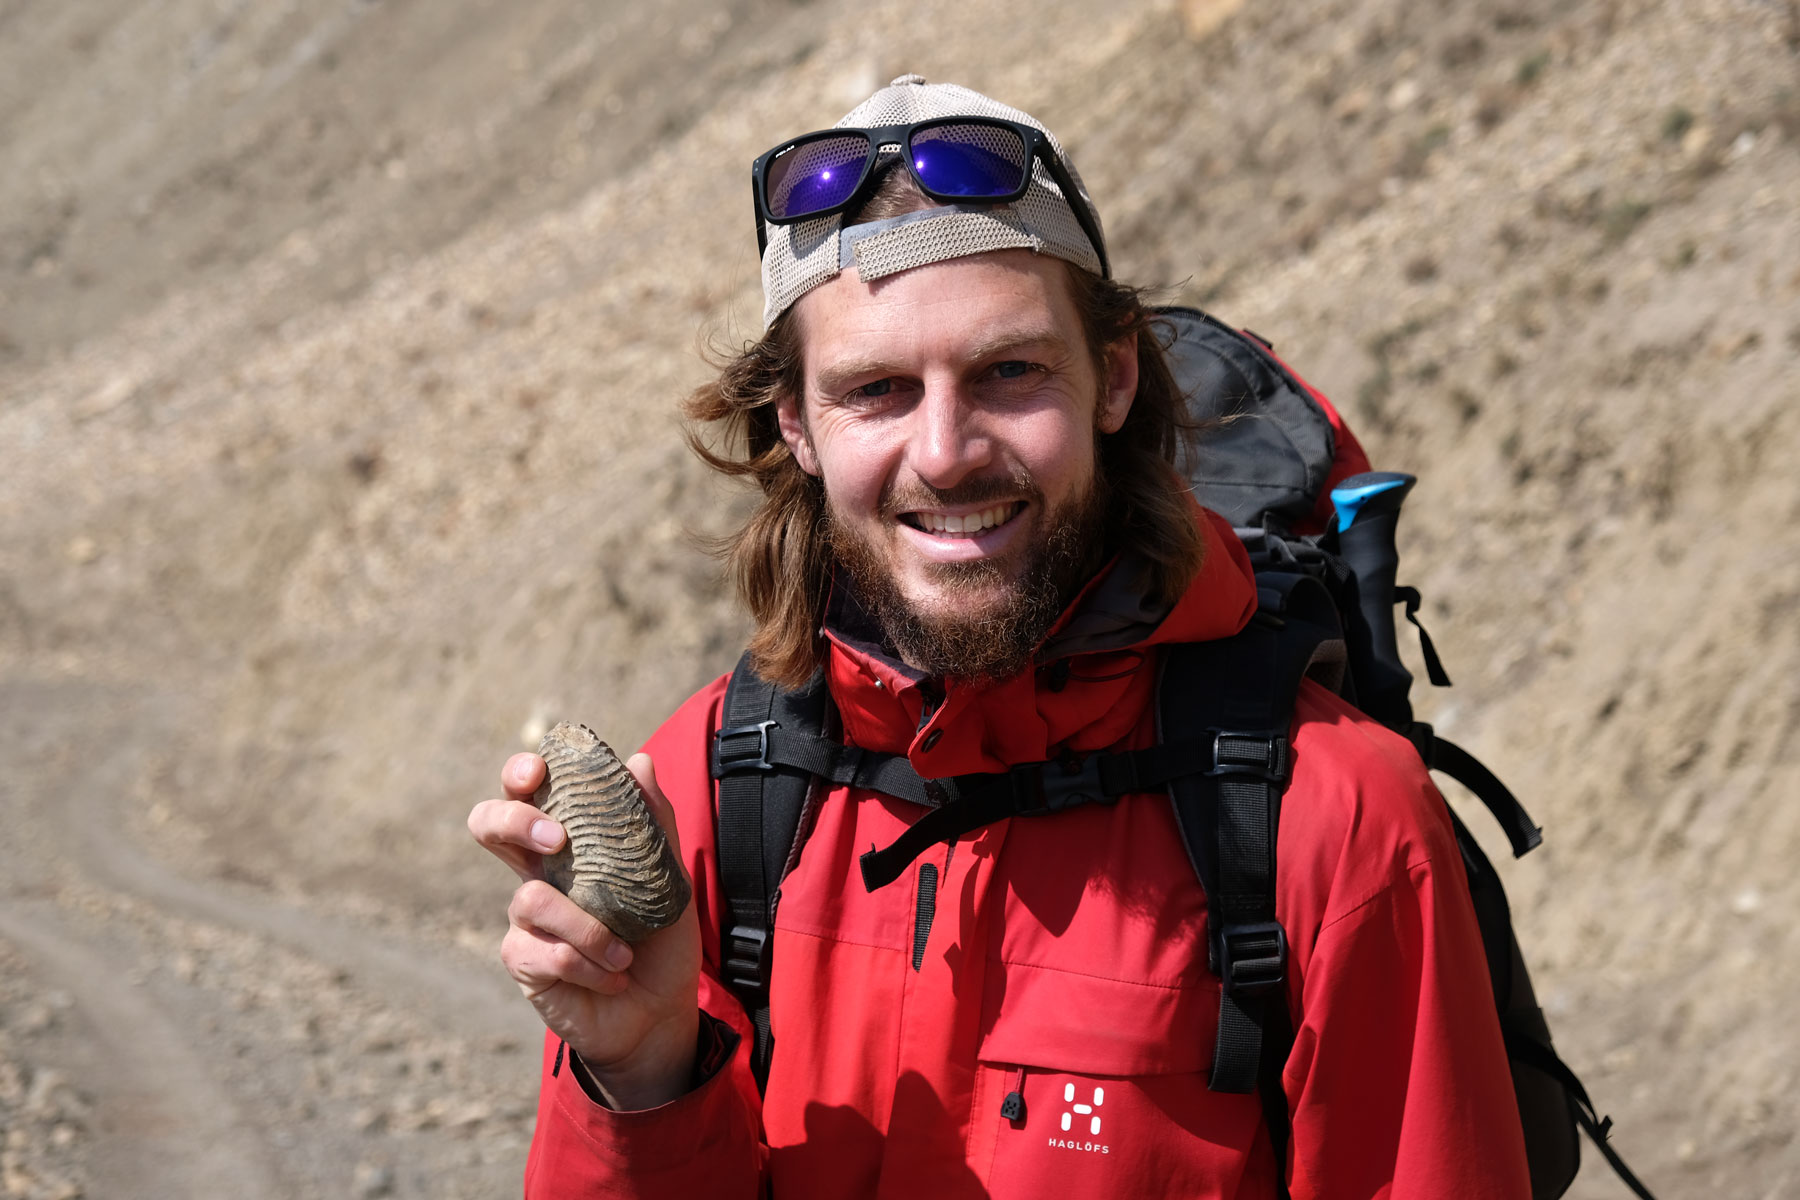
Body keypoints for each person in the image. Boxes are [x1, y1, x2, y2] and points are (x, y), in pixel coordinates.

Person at [468, 76, 1532, 1199]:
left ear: (1113, 377)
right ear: (797, 426)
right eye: (875, 388)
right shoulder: (706, 791)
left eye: (1009, 371)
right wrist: (641, 1072)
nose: (945, 452)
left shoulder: (1340, 822)